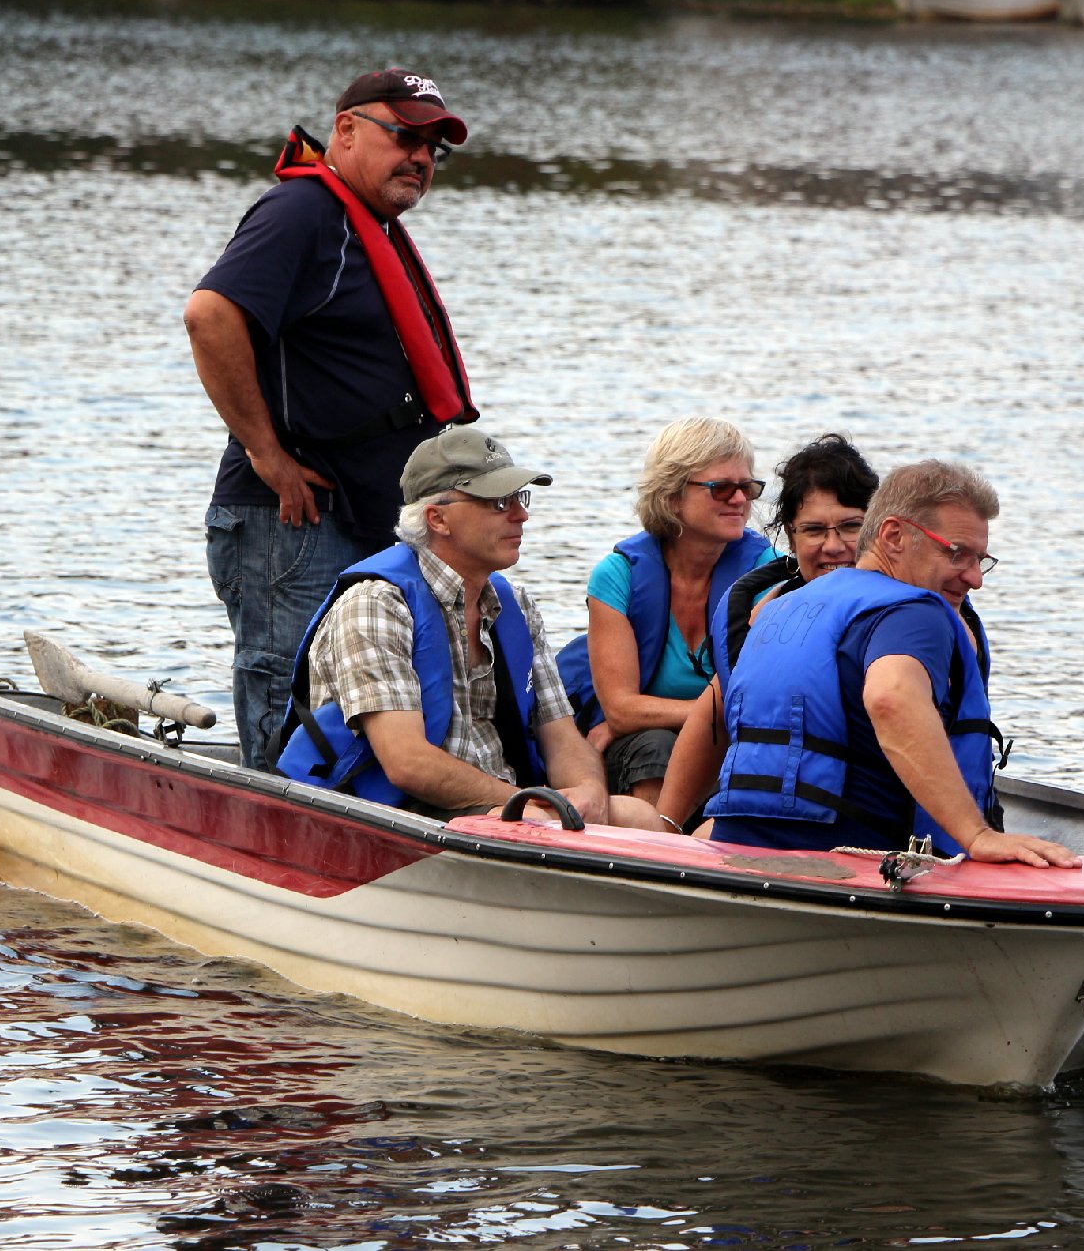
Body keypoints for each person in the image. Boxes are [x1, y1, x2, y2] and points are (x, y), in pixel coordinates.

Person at [185, 67, 478, 771]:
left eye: (433, 148)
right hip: (294, 520)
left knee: (356, 710)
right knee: (289, 714)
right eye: (404, 135)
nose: (420, 157)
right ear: (345, 130)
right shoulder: (302, 213)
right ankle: (267, 827)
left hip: (356, 514)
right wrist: (267, 454)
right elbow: (209, 315)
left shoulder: (364, 225)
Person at [272, 427, 667, 831]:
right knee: (548, 826)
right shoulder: (376, 605)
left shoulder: (517, 606)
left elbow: (562, 737)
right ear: (437, 518)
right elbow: (408, 764)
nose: (521, 515)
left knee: (641, 818)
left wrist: (588, 792)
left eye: (519, 498)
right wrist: (526, 805)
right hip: (399, 817)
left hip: (504, 806)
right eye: (499, 503)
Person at [698, 460, 1079, 868]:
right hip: (849, 857)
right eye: (956, 553)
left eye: (980, 560)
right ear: (894, 536)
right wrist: (977, 835)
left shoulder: (780, 607)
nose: (975, 578)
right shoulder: (914, 612)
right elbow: (891, 697)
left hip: (739, 846)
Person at [657, 433, 885, 832]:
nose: (833, 546)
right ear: (791, 537)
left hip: (869, 824)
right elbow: (713, 719)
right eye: (813, 530)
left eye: (851, 526)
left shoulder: (905, 615)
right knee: (704, 834)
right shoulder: (767, 616)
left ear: (881, 530)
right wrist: (666, 827)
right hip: (772, 817)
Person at [565, 419, 777, 807]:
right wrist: (711, 714)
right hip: (647, 752)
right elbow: (621, 711)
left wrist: (663, 714)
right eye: (722, 488)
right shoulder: (618, 575)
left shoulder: (770, 576)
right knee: (657, 746)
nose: (739, 500)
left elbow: (765, 703)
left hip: (731, 743)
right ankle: (659, 839)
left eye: (747, 488)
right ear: (672, 495)